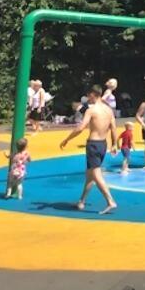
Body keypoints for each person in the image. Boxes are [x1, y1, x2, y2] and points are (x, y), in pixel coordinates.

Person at [60, 85, 118, 214]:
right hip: (103, 144)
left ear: (92, 94)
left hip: (93, 144)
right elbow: (113, 128)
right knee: (90, 175)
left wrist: (67, 139)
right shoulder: (108, 110)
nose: (87, 98)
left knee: (96, 174)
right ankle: (82, 201)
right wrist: (114, 144)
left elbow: (81, 128)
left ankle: (110, 201)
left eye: (88, 95)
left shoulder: (91, 110)